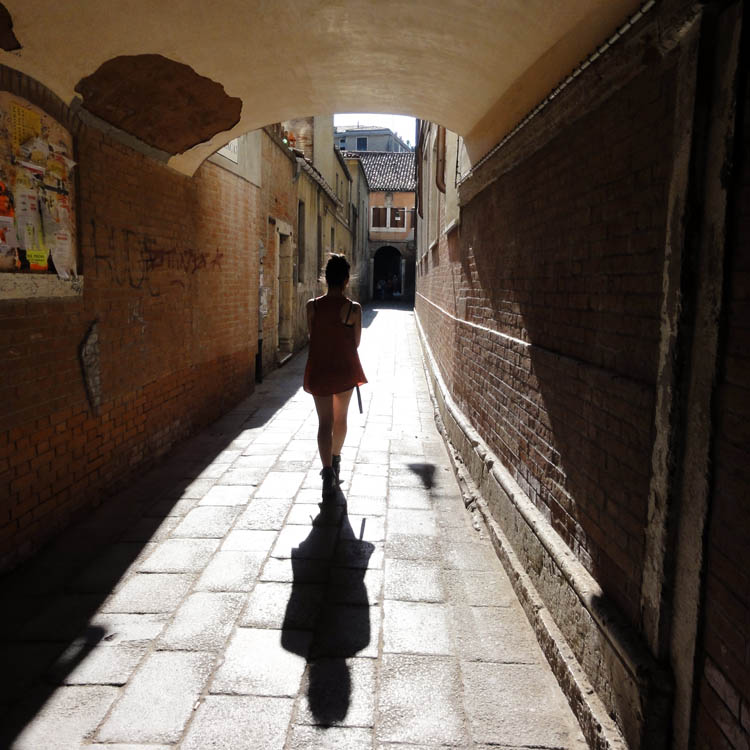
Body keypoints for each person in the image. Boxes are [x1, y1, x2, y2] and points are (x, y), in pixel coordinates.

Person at [303, 254, 367, 496]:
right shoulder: (354, 309)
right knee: (340, 420)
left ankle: (327, 471)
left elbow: (313, 337)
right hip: (344, 369)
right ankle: (336, 459)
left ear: (325, 278)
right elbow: (356, 343)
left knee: (324, 422)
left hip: (320, 368)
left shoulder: (312, 306)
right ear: (346, 280)